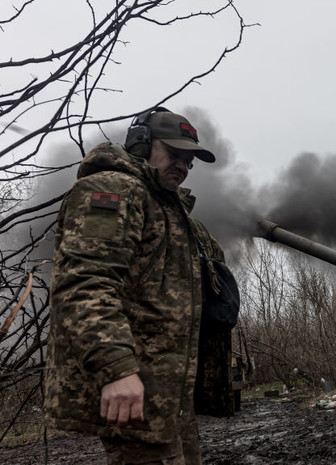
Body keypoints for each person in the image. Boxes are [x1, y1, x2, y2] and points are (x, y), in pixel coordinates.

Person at [45, 108, 222, 465]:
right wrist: (117, 370)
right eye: (174, 154)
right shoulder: (112, 190)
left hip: (166, 394)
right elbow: (85, 283)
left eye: (189, 161)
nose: (183, 166)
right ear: (140, 145)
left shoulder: (170, 209)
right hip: (134, 386)